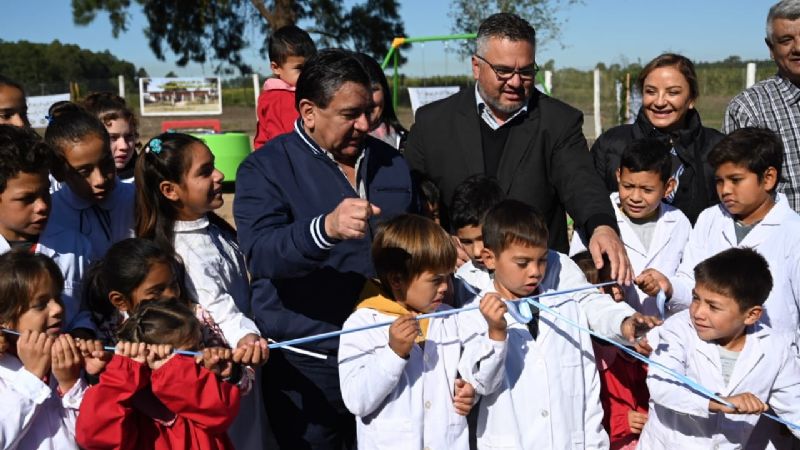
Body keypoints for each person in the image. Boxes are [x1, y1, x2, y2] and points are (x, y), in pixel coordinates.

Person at [234, 48, 417, 449]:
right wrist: (325, 229)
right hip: (309, 366)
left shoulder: (392, 163)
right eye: (350, 114)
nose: (366, 124)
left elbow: (413, 236)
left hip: (392, 352)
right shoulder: (264, 168)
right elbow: (261, 254)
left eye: (369, 111)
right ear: (309, 111)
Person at [405, 12, 632, 285]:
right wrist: (435, 240)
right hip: (458, 286)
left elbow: (581, 182)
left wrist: (601, 226)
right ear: (476, 67)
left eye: (525, 72)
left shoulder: (558, 122)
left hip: (537, 285)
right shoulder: (434, 122)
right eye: (503, 71)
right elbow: (410, 197)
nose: (515, 82)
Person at [134, 133, 271, 450]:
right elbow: (219, 308)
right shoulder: (179, 251)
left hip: (245, 365)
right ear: (170, 191)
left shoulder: (213, 227)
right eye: (205, 171)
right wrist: (246, 338)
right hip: (222, 373)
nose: (219, 175)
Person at [338, 214, 507, 449]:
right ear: (397, 280)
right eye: (435, 280)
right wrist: (393, 353)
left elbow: (481, 380)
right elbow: (357, 401)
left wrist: (473, 387)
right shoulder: (363, 323)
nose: (446, 287)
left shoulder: (450, 317)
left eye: (448, 277)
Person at [457, 200, 609, 449]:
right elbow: (481, 384)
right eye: (523, 263)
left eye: (541, 260)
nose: (535, 272)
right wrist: (496, 334)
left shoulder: (566, 309)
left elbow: (589, 390)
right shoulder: (471, 314)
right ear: (489, 258)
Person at [637, 128, 800, 334]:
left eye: (736, 180)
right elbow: (691, 283)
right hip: (708, 356)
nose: (725, 190)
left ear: (768, 178)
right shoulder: (710, 219)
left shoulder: (793, 233)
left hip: (775, 360)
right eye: (719, 181)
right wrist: (669, 287)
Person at [639, 248, 800, 447]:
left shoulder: (775, 347)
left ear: (751, 315)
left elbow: (795, 407)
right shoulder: (678, 329)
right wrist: (719, 402)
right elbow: (662, 386)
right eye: (696, 298)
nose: (698, 312)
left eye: (713, 307)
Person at [76, 299, 242, 450]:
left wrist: (174, 372)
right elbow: (93, 436)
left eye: (200, 345)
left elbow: (222, 412)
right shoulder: (128, 401)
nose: (200, 356)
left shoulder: (196, 386)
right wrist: (122, 372)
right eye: (190, 352)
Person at [592, 53, 723, 224]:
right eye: (651, 91)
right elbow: (591, 201)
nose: (660, 102)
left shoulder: (717, 148)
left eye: (673, 92)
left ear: (691, 99)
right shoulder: (611, 143)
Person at [573, 139, 691, 317]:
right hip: (608, 330)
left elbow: (690, 283)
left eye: (647, 190)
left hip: (664, 334)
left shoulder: (679, 222)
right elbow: (576, 273)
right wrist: (603, 283)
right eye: (628, 186)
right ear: (618, 176)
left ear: (668, 187)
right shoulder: (597, 216)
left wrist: (667, 287)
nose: (635, 197)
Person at [0, 124, 95, 337]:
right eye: (27, 199)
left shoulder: (76, 247)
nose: (42, 206)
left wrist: (83, 331)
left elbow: (87, 310)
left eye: (46, 193)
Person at [0, 251, 89, 449]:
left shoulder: (64, 362)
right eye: (40, 305)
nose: (57, 308)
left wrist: (71, 385)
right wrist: (32, 377)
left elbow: (91, 438)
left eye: (57, 297)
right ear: (4, 320)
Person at [724, 0, 800, 213]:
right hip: (784, 242)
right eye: (786, 40)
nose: (798, 48)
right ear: (771, 48)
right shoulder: (749, 109)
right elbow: (739, 194)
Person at [573, 251, 649, 450]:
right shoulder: (584, 354)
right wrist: (621, 421)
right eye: (605, 285)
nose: (617, 291)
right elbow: (579, 411)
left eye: (616, 283)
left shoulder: (631, 346)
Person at [44, 102, 135, 260]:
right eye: (84, 172)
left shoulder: (137, 200)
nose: (100, 179)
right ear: (59, 172)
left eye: (106, 163)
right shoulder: (49, 215)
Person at [253, 25, 317, 149]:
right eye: (300, 68)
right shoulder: (280, 98)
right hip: (279, 160)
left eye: (311, 67)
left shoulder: (297, 92)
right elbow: (283, 138)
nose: (307, 74)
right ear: (276, 68)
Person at [450, 174, 505, 289]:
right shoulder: (462, 279)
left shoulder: (547, 264)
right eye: (466, 242)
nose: (476, 252)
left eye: (483, 238)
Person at [353, 52, 408, 150]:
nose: (367, 99)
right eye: (355, 92)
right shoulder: (323, 147)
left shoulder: (408, 144)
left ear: (384, 92)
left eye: (373, 89)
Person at [81, 92, 139, 183]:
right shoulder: (72, 183)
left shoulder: (147, 179)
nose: (124, 146)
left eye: (129, 136)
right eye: (112, 138)